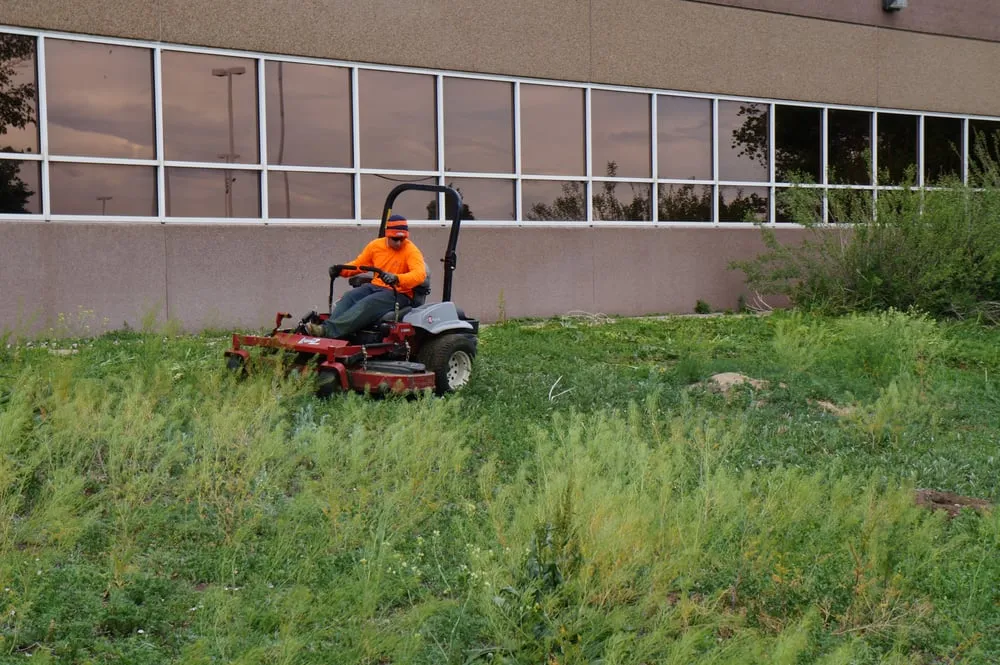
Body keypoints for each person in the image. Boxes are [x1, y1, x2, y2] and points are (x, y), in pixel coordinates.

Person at [305, 214, 427, 338]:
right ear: (387, 235)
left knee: (368, 303)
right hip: (376, 287)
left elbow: (419, 275)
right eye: (395, 239)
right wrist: (341, 271)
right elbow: (359, 264)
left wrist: (397, 278)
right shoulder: (376, 246)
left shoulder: (411, 251)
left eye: (402, 239)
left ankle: (328, 332)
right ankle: (328, 329)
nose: (399, 243)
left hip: (399, 293)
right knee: (349, 297)